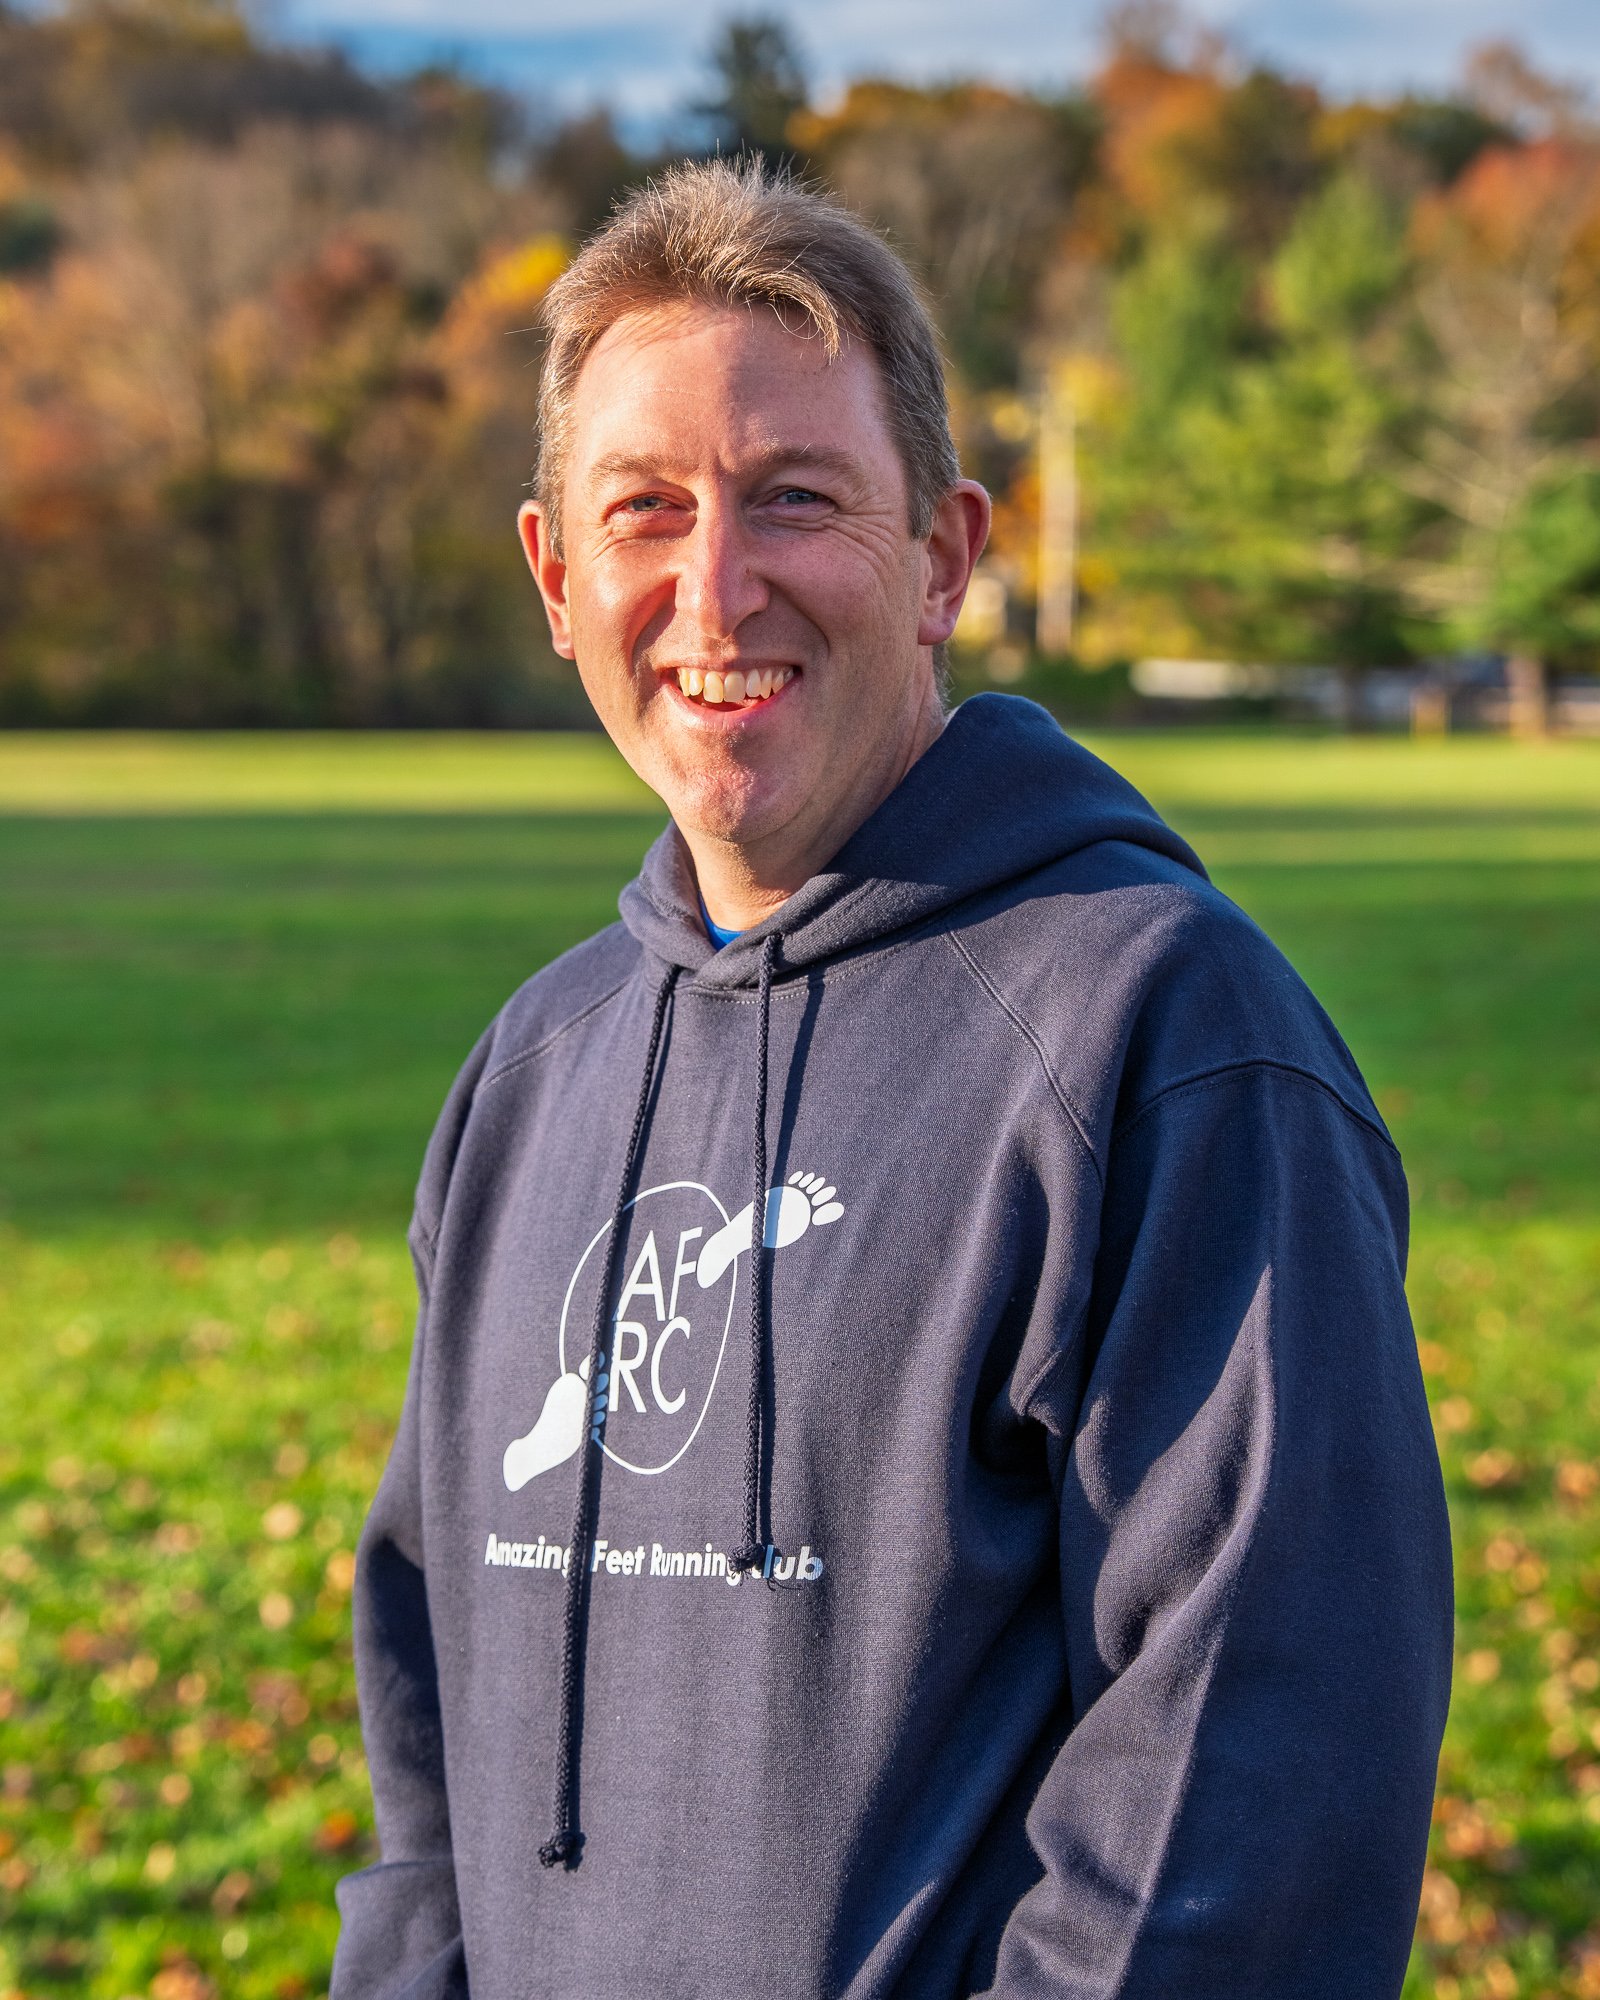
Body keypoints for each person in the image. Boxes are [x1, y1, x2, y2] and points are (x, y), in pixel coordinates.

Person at [332, 161, 1452, 2000]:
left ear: (941, 557)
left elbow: (1250, 1809)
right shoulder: (531, 1074)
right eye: (645, 512)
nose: (715, 587)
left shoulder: (1166, 1048)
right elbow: (427, 1705)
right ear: (554, 575)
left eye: (794, 500)